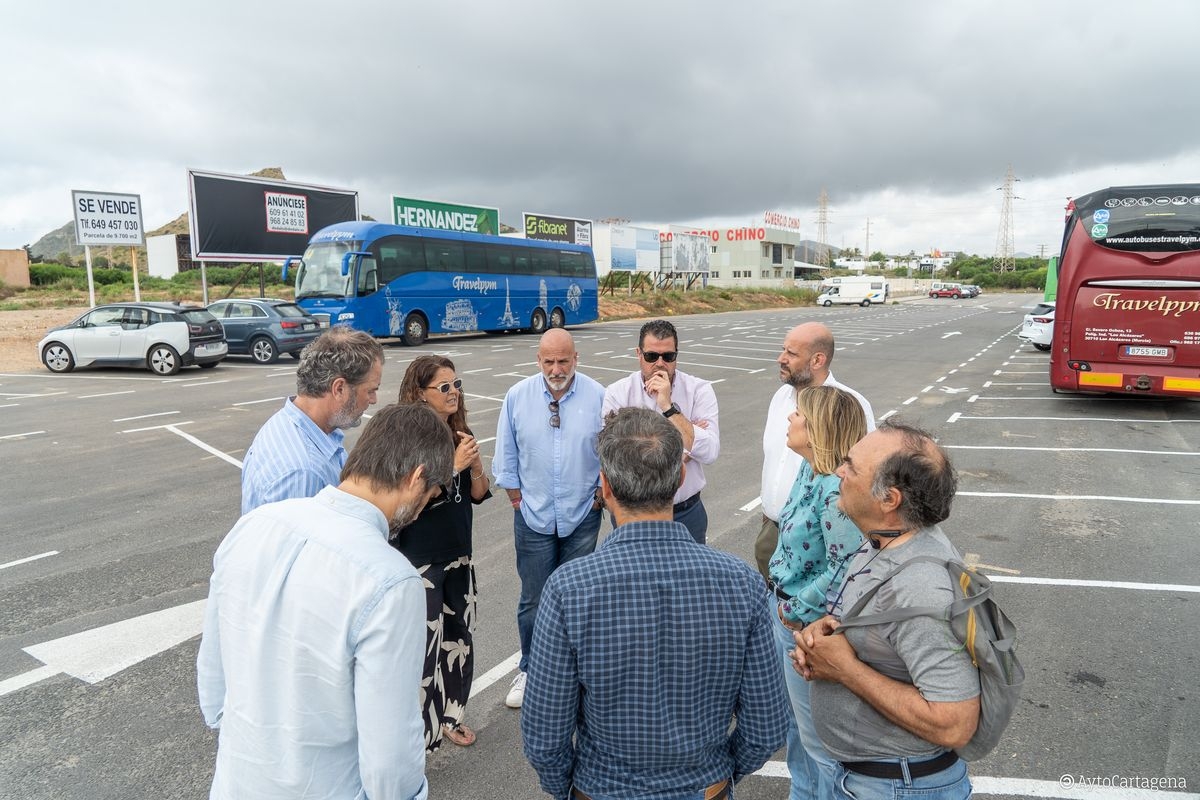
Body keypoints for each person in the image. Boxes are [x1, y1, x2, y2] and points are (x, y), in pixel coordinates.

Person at [522, 407, 788, 800]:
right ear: (680, 479)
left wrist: (568, 789)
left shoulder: (569, 588)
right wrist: (720, 774)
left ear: (606, 487)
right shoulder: (742, 583)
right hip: (705, 787)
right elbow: (767, 725)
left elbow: (546, 734)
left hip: (603, 788)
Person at [197, 403, 455, 800]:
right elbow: (389, 765)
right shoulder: (390, 580)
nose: (423, 508)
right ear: (416, 478)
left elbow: (214, 694)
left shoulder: (254, 525)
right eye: (431, 494)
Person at [791, 421, 979, 800]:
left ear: (889, 500)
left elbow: (955, 725)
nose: (839, 471)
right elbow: (885, 633)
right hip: (873, 780)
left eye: (851, 466)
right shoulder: (885, 540)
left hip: (898, 787)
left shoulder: (919, 588)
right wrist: (830, 635)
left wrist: (844, 668)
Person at [493, 328, 606, 710]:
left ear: (576, 358)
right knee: (534, 599)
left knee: (576, 599)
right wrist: (515, 498)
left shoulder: (598, 397)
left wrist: (599, 497)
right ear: (537, 360)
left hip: (582, 515)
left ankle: (574, 674)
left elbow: (607, 452)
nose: (556, 369)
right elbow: (506, 454)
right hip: (533, 515)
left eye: (563, 361)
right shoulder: (517, 397)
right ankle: (530, 668)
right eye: (548, 362)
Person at [768, 386, 868, 800]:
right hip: (787, 614)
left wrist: (795, 606)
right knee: (797, 729)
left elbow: (846, 568)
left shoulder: (833, 490)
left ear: (820, 428)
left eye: (798, 416)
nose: (790, 421)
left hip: (808, 628)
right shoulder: (808, 471)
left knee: (820, 742)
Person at [391, 356, 491, 750]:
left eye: (457, 385)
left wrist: (476, 464)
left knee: (459, 641)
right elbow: (405, 504)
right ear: (419, 393)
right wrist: (451, 466)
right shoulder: (408, 439)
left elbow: (479, 494)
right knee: (424, 651)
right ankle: (417, 734)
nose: (454, 393)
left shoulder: (457, 432)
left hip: (459, 556)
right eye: (443, 387)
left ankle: (451, 716)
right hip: (422, 560)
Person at [758, 322, 875, 579]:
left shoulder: (848, 406)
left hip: (822, 534)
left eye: (791, 353)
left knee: (810, 606)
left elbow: (864, 476)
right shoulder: (780, 398)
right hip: (773, 528)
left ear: (817, 360)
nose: (781, 358)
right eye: (783, 350)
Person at [240, 326, 384, 514]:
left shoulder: (295, 425)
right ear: (339, 388)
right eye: (371, 390)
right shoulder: (303, 473)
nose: (373, 400)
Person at [602, 319, 719, 543]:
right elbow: (614, 458)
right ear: (638, 353)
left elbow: (710, 451)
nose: (660, 364)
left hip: (684, 512)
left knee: (691, 577)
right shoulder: (617, 393)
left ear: (676, 355)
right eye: (651, 356)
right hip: (632, 513)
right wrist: (685, 443)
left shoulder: (699, 390)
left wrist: (668, 407)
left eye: (668, 357)